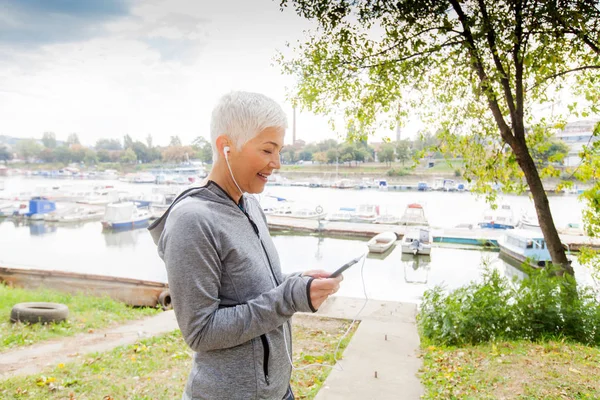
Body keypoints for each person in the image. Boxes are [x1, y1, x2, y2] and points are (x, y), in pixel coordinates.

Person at [149, 91, 343, 400]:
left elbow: (256, 289)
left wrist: (297, 283)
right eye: (268, 150)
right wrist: (289, 298)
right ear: (226, 146)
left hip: (278, 393)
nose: (276, 163)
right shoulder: (192, 220)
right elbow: (200, 331)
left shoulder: (249, 204)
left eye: (278, 151)